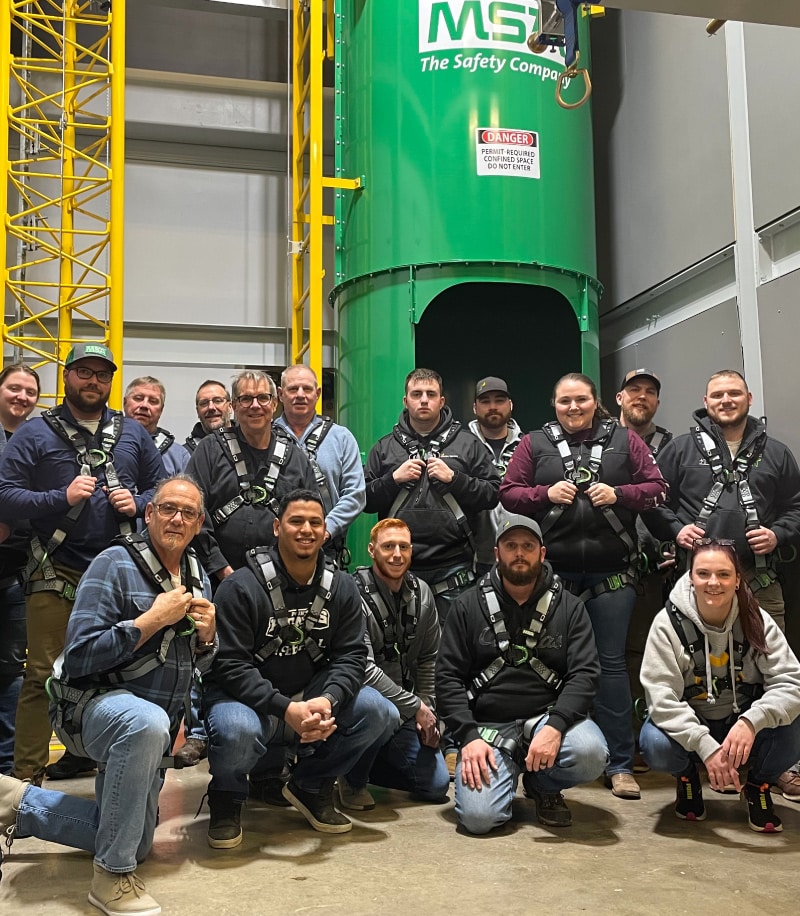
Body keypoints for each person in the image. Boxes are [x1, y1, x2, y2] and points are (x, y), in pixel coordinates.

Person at [0, 475, 216, 916]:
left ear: (198, 524)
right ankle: (112, 878)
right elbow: (78, 656)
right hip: (88, 708)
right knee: (145, 723)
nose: (177, 518)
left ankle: (16, 803)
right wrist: (149, 621)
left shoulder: (198, 576)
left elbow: (199, 671)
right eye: (168, 508)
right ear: (148, 513)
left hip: (148, 732)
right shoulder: (113, 563)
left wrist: (208, 641)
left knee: (134, 840)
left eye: (188, 513)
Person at [0, 343, 165, 785]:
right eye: (84, 373)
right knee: (41, 675)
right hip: (58, 570)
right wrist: (60, 498)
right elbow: (5, 494)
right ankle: (24, 782)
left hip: (119, 574)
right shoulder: (35, 434)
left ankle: (106, 761)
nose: (93, 382)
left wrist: (140, 501)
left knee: (118, 670)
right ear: (67, 376)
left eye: (102, 375)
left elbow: (163, 486)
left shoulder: (133, 433)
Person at [500, 372, 667, 800]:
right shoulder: (534, 444)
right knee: (552, 665)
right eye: (564, 401)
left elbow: (656, 489)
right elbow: (508, 493)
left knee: (611, 668)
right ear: (553, 405)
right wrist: (543, 494)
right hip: (552, 578)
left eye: (581, 400)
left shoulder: (626, 441)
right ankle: (550, 754)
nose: (573, 408)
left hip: (612, 576)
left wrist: (621, 495)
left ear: (596, 402)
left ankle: (620, 765)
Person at [202, 489, 397, 845]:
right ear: (277, 527)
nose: (306, 529)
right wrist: (285, 708)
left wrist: (330, 700)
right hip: (246, 700)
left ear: (326, 532)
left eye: (315, 523)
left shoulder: (342, 587)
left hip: (309, 694)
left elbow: (352, 656)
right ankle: (227, 796)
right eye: (296, 521)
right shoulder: (240, 587)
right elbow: (229, 665)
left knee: (380, 711)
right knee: (237, 732)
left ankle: (311, 783)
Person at [642, 369, 800, 801]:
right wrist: (675, 530)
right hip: (699, 584)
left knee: (769, 676)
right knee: (688, 669)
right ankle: (698, 759)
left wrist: (779, 534)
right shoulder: (680, 450)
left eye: (734, 393)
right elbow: (655, 501)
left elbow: (796, 507)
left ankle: (769, 769)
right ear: (705, 401)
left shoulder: (778, 454)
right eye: (718, 395)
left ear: (748, 397)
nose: (726, 400)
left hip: (758, 580)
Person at [436, 514, 607, 834]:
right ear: (497, 552)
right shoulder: (467, 606)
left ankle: (542, 783)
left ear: (542, 554)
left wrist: (556, 726)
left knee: (589, 754)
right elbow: (447, 678)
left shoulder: (569, 608)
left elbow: (585, 674)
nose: (519, 553)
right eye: (510, 545)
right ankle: (504, 774)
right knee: (478, 819)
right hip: (487, 728)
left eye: (527, 546)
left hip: (546, 720)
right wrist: (468, 737)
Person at [640, 538, 800, 833]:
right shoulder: (667, 624)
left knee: (794, 727)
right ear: (691, 578)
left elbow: (791, 683)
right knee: (654, 742)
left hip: (742, 727)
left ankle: (757, 786)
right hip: (694, 723)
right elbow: (661, 698)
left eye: (724, 574)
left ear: (738, 580)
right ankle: (688, 779)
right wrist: (704, 745)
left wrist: (752, 721)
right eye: (703, 574)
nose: (713, 582)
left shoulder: (758, 621)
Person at [365, 368, 500, 621]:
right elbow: (365, 501)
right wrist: (393, 480)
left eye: (430, 394)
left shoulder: (468, 444)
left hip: (454, 570)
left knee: (453, 653)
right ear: (406, 401)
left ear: (441, 401)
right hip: (397, 565)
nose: (424, 400)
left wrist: (455, 479)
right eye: (417, 394)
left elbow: (492, 493)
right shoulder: (384, 448)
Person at [344, 518, 449, 807]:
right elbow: (363, 669)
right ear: (371, 550)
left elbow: (429, 658)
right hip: (361, 706)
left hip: (402, 708)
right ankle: (352, 779)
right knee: (379, 710)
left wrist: (427, 708)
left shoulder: (423, 593)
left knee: (436, 786)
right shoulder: (351, 593)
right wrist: (415, 707)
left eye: (403, 546)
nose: (397, 554)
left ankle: (364, 760)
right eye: (388, 546)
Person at [186, 369, 317, 581]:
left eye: (263, 398)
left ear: (274, 404)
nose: (255, 406)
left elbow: (311, 519)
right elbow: (191, 510)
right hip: (214, 577)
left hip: (282, 578)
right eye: (246, 399)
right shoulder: (209, 450)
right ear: (234, 406)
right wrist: (220, 569)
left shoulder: (296, 458)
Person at [616, 368, 673, 770]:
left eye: (649, 392)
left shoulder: (675, 447)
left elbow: (684, 500)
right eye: (633, 390)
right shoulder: (603, 442)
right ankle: (628, 741)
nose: (641, 397)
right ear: (619, 398)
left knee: (661, 654)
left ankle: (661, 738)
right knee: (620, 655)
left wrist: (675, 540)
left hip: (665, 571)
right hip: (617, 565)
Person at [274, 364, 365, 566]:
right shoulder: (265, 438)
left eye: (307, 389)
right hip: (275, 550)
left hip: (328, 549)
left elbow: (355, 494)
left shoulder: (341, 438)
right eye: (292, 389)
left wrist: (325, 530)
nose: (300, 395)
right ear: (280, 394)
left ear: (318, 393)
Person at [0, 364, 40, 774]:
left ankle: (7, 763)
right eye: (14, 388)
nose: (22, 396)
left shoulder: (36, 439)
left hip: (17, 571)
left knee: (13, 669)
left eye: (30, 391)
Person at [469, 376, 522, 575]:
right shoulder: (463, 447)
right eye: (485, 401)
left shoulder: (528, 446)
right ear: (475, 407)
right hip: (474, 559)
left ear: (510, 405)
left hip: (518, 555)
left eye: (499, 400)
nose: (493, 406)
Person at [124, 376, 190, 475]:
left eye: (153, 401)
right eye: (138, 398)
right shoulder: (103, 443)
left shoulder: (179, 456)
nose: (144, 405)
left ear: (161, 409)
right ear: (125, 403)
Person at [184, 380, 233, 454]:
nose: (211, 407)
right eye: (204, 403)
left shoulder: (249, 444)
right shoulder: (184, 455)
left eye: (217, 401)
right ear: (197, 411)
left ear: (230, 407)